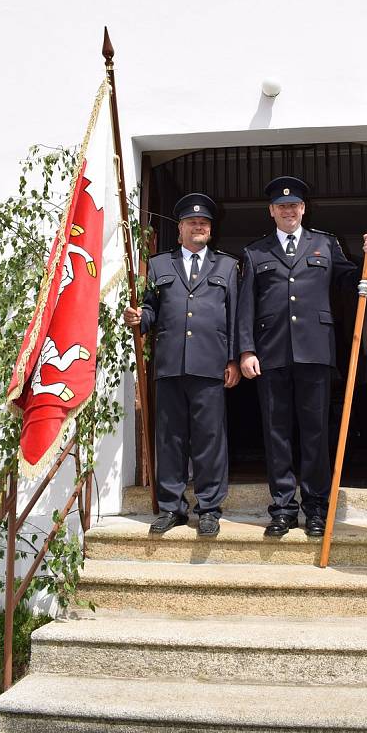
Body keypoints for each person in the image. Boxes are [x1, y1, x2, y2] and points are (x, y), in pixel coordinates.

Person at [238, 176, 367, 537]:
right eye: (282, 206)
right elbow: (245, 308)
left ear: (304, 208)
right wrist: (246, 350)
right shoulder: (256, 253)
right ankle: (283, 508)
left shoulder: (325, 243)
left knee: (316, 434)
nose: (289, 211)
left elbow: (351, 279)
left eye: (295, 205)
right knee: (277, 433)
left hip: (315, 353)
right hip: (270, 356)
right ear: (271, 212)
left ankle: (316, 507)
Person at [124, 193, 240, 537]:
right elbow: (150, 309)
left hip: (210, 365)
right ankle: (172, 507)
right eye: (191, 223)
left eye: (203, 223)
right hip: (170, 365)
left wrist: (233, 358)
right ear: (180, 230)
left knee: (210, 439)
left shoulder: (227, 266)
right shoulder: (160, 265)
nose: (198, 226)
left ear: (210, 230)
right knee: (170, 439)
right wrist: (138, 317)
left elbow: (235, 318)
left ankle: (208, 508)